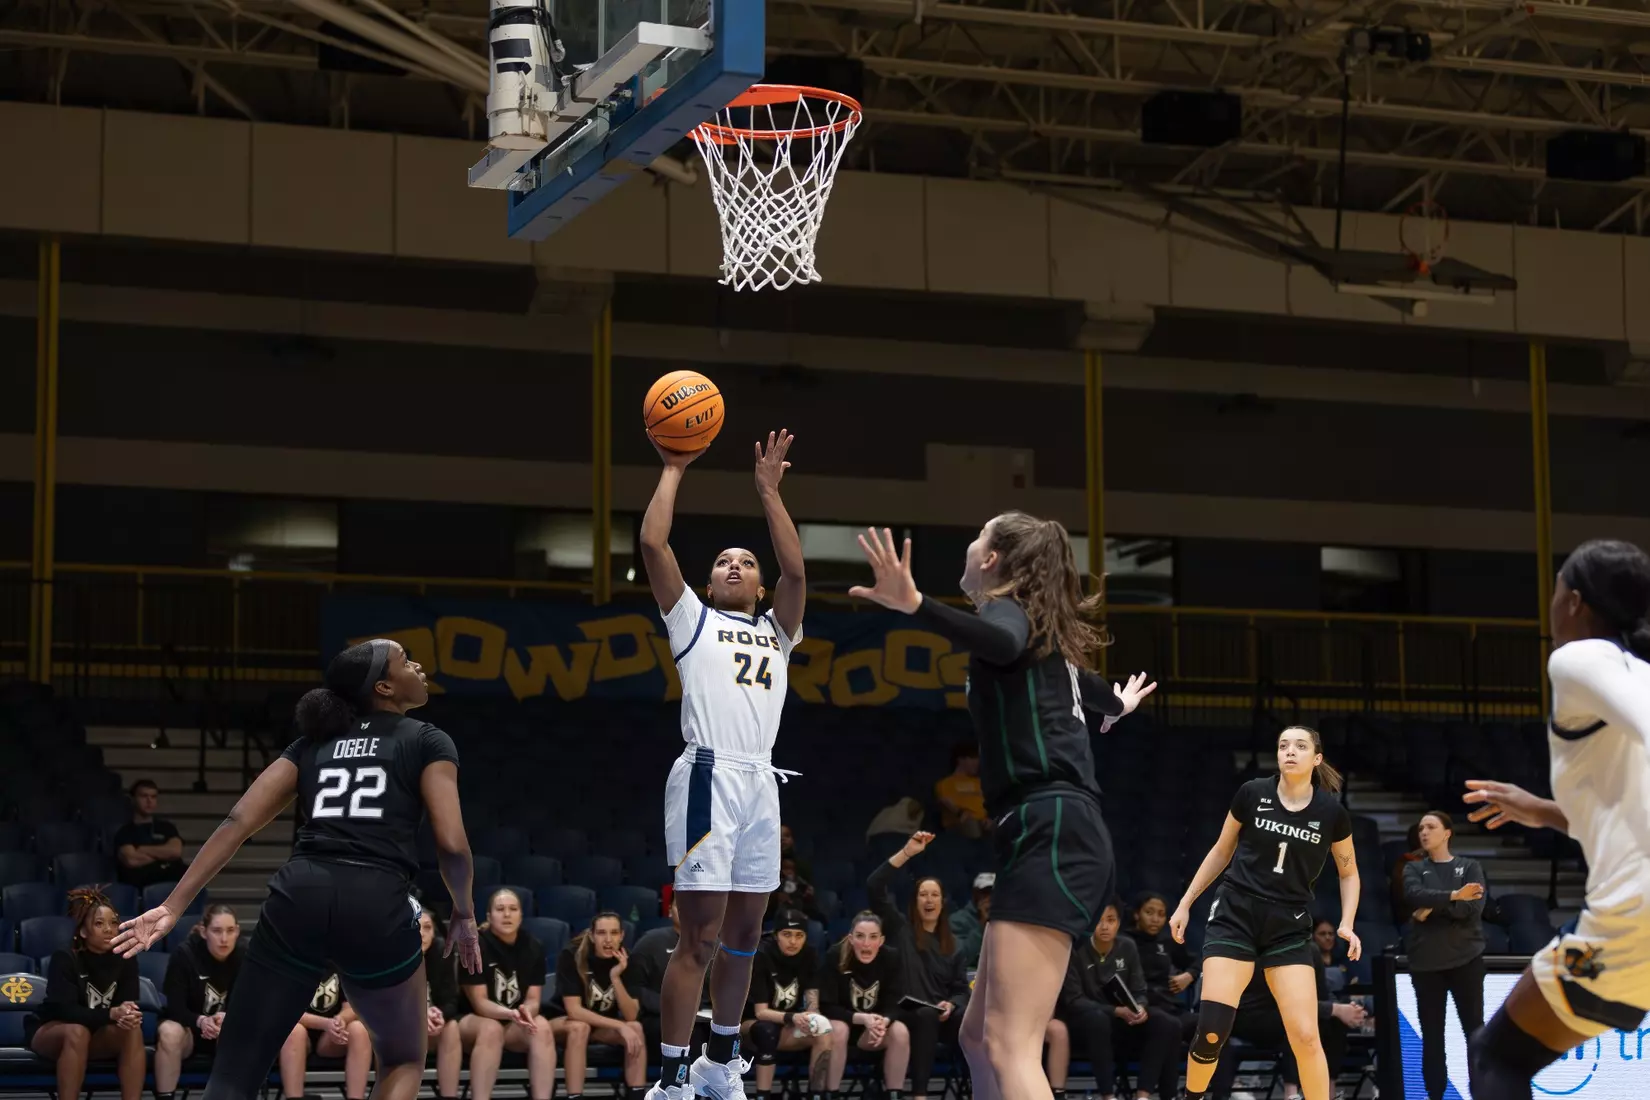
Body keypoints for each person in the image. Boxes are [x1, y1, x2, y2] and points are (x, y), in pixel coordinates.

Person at [851, 516, 1157, 1100]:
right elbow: (1090, 689)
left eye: (978, 537)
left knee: (1011, 1043)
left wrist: (917, 604)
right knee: (976, 1035)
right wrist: (1117, 703)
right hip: (1041, 830)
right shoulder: (1049, 638)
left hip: (1053, 826)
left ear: (991, 560)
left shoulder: (1008, 612)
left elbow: (1003, 642)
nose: (969, 546)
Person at [112, 639, 483, 1100]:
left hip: (300, 894)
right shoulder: (427, 739)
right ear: (385, 687)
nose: (418, 665)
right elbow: (451, 844)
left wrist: (173, 904)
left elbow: (237, 821)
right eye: (406, 660)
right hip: (376, 900)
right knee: (403, 1057)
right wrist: (464, 913)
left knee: (233, 1074)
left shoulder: (313, 743)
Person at [640, 429, 806, 1100]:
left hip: (761, 780)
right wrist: (675, 468)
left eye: (744, 561)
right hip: (708, 774)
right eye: (723, 562)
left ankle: (718, 1061)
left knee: (746, 932)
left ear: (759, 584)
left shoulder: (778, 630)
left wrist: (769, 493)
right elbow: (653, 544)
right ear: (707, 583)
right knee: (700, 935)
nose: (734, 566)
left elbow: (797, 572)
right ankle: (673, 1076)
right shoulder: (693, 622)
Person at [1463, 539, 1650, 1097]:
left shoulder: (1579, 657)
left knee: (1497, 1058)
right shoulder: (1634, 672)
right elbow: (1621, 817)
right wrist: (1544, 811)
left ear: (1572, 600)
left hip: (1635, 918)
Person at [1167, 726, 1361, 1100]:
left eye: (1300, 746)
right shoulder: (1252, 793)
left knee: (1305, 1034)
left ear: (1316, 759)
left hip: (1288, 926)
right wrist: (1185, 903)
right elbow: (1221, 851)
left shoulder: (1332, 812)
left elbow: (1349, 873)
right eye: (1283, 745)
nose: (1290, 751)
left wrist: (1347, 923)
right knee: (1211, 1029)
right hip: (1235, 915)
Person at [867, 831, 972, 1100]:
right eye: (923, 894)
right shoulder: (902, 930)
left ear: (942, 902)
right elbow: (874, 886)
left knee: (968, 1017)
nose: (928, 899)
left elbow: (961, 988)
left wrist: (953, 1004)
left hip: (939, 1015)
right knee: (925, 1015)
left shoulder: (956, 945)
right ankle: (920, 1095)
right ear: (915, 901)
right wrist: (907, 853)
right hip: (905, 1010)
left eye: (934, 895)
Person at [1057, 900, 1181, 1100]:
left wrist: (1140, 1007)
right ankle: (1108, 1096)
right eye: (1099, 921)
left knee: (1167, 1022)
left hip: (1123, 1021)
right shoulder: (1075, 950)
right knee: (1097, 1019)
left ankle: (1143, 1095)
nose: (1105, 926)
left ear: (1118, 923)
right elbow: (1073, 1000)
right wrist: (1114, 1011)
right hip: (1087, 1025)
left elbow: (1140, 989)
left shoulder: (1127, 946)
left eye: (1111, 920)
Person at [28, 887, 145, 1100]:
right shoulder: (65, 958)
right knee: (77, 1032)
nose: (109, 929)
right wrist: (111, 1014)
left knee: (132, 1029)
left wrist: (128, 1013)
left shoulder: (126, 956)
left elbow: (126, 1002)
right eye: (99, 924)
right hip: (52, 1031)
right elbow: (64, 1010)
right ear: (83, 932)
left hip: (97, 1035)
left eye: (113, 923)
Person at [1404, 809, 1487, 1100]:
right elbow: (1415, 897)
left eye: (1430, 827)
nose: (1423, 832)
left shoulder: (1471, 866)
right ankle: (1434, 1095)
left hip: (1466, 959)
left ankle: (1482, 1092)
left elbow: (1472, 909)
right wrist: (1454, 896)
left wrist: (1430, 908)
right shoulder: (1413, 868)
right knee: (1432, 1035)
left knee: (1475, 1033)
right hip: (1426, 962)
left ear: (1447, 832)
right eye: (1421, 828)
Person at [1204, 952, 1367, 1100]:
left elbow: (1320, 995)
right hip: (1249, 1016)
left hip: (1290, 1012)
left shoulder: (1311, 951)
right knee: (1296, 1020)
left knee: (1334, 1021)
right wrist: (1335, 1009)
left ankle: (1328, 1092)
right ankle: (1291, 1093)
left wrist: (1345, 1011)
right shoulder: (1262, 948)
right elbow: (1281, 1000)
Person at [460, 888, 561, 1100]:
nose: (507, 915)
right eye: (500, 909)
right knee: (491, 1029)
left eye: (513, 909)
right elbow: (479, 1003)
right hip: (472, 1022)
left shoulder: (534, 946)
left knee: (541, 1026)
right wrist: (510, 1014)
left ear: (521, 915)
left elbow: (534, 998)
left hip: (514, 1022)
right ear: (489, 916)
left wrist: (526, 1011)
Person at [816, 912, 911, 1097]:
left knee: (900, 1031)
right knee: (838, 1029)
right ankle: (832, 1093)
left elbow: (895, 1001)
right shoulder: (835, 956)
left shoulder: (891, 958)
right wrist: (860, 1018)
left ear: (881, 941)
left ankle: (895, 1094)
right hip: (843, 1024)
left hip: (873, 1031)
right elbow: (826, 1006)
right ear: (850, 938)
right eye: (860, 936)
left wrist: (884, 1021)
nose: (866, 943)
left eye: (873, 937)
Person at [744, 909, 835, 1100]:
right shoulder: (761, 954)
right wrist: (792, 1017)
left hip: (788, 1024)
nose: (793, 942)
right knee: (767, 1031)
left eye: (799, 935)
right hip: (750, 1026)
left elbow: (812, 1003)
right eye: (787, 935)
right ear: (776, 935)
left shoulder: (809, 955)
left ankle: (816, 1094)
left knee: (823, 1029)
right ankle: (763, 1095)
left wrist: (812, 1018)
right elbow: (761, 1012)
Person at [156, 903, 243, 1100]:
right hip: (189, 1029)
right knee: (169, 1032)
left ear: (237, 931)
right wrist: (201, 1020)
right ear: (204, 932)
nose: (224, 939)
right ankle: (165, 1096)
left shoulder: (244, 955)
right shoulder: (185, 954)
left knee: (236, 1032)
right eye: (217, 931)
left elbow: (252, 1005)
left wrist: (228, 1017)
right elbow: (175, 1008)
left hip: (224, 1031)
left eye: (230, 931)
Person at [558, 912, 648, 1098]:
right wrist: (618, 1025)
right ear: (591, 935)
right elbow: (573, 1010)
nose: (608, 940)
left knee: (635, 1028)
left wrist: (616, 977)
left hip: (600, 1027)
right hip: (563, 1022)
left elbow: (631, 1015)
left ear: (622, 935)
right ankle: (575, 1096)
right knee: (579, 1028)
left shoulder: (630, 961)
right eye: (601, 933)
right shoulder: (572, 955)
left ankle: (637, 1094)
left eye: (614, 933)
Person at [279, 972, 371, 1099]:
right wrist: (324, 1023)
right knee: (294, 1031)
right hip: (302, 1032)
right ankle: (294, 1097)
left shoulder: (342, 966)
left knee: (358, 1029)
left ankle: (356, 1097)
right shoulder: (294, 964)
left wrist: (341, 1019)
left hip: (330, 1035)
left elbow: (351, 1008)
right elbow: (286, 1013)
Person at [420, 911, 465, 1100]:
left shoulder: (441, 953)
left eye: (427, 928)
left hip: (430, 1029)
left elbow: (451, 1001)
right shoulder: (389, 957)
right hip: (397, 1026)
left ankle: (449, 1096)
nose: (421, 933)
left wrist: (439, 1015)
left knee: (451, 1026)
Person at [114, 779, 186, 889]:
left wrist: (142, 849)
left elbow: (175, 852)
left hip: (173, 880)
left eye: (153, 797)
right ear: (133, 799)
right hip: (144, 883)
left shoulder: (167, 827)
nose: (149, 801)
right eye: (144, 796)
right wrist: (164, 855)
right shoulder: (125, 831)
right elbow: (132, 860)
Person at [935, 743, 989, 837]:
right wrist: (961, 813)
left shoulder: (981, 782)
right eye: (972, 758)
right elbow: (945, 802)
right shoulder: (946, 783)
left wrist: (990, 818)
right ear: (960, 759)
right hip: (960, 823)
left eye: (978, 759)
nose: (977, 762)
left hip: (983, 823)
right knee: (971, 825)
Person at [950, 873, 993, 970]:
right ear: (975, 895)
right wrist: (981, 927)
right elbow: (958, 958)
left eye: (993, 894)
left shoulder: (1007, 920)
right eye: (984, 893)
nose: (989, 898)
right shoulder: (958, 921)